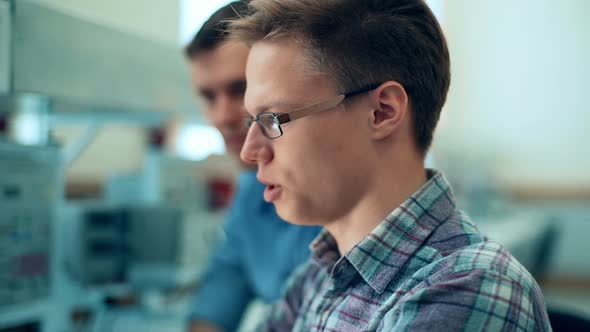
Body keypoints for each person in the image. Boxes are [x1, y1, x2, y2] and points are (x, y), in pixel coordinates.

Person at [229, 0, 553, 330]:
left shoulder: (466, 288)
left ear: (382, 112)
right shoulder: (318, 275)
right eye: (253, 120)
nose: (250, 150)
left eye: (272, 118)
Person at [183, 2, 321, 331]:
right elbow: (222, 288)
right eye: (208, 97)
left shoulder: (343, 195)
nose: (222, 117)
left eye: (240, 89)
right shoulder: (251, 191)